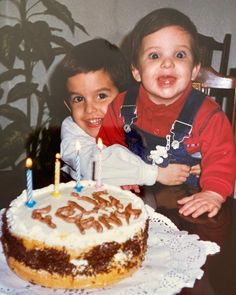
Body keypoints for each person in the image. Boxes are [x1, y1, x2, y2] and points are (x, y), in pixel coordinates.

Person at [97, 8, 236, 217]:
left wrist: (213, 193)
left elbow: (222, 157)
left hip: (188, 204)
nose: (167, 63)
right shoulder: (121, 105)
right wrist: (120, 174)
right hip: (133, 201)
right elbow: (107, 147)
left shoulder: (208, 115)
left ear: (195, 69)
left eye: (179, 54)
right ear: (136, 70)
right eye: (154, 55)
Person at [60, 38, 191, 190]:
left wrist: (193, 163)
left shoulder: (136, 117)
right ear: (68, 106)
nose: (89, 109)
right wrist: (153, 173)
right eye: (78, 99)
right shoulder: (72, 130)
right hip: (82, 194)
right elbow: (94, 164)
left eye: (101, 96)